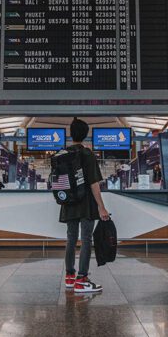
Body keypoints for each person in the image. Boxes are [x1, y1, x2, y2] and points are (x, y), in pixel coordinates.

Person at [61, 118, 110, 294]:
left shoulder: (63, 153)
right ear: (85, 134)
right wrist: (101, 207)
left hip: (68, 202)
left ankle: (69, 277)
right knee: (86, 239)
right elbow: (94, 183)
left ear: (70, 134)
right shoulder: (87, 154)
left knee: (71, 239)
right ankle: (82, 280)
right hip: (86, 203)